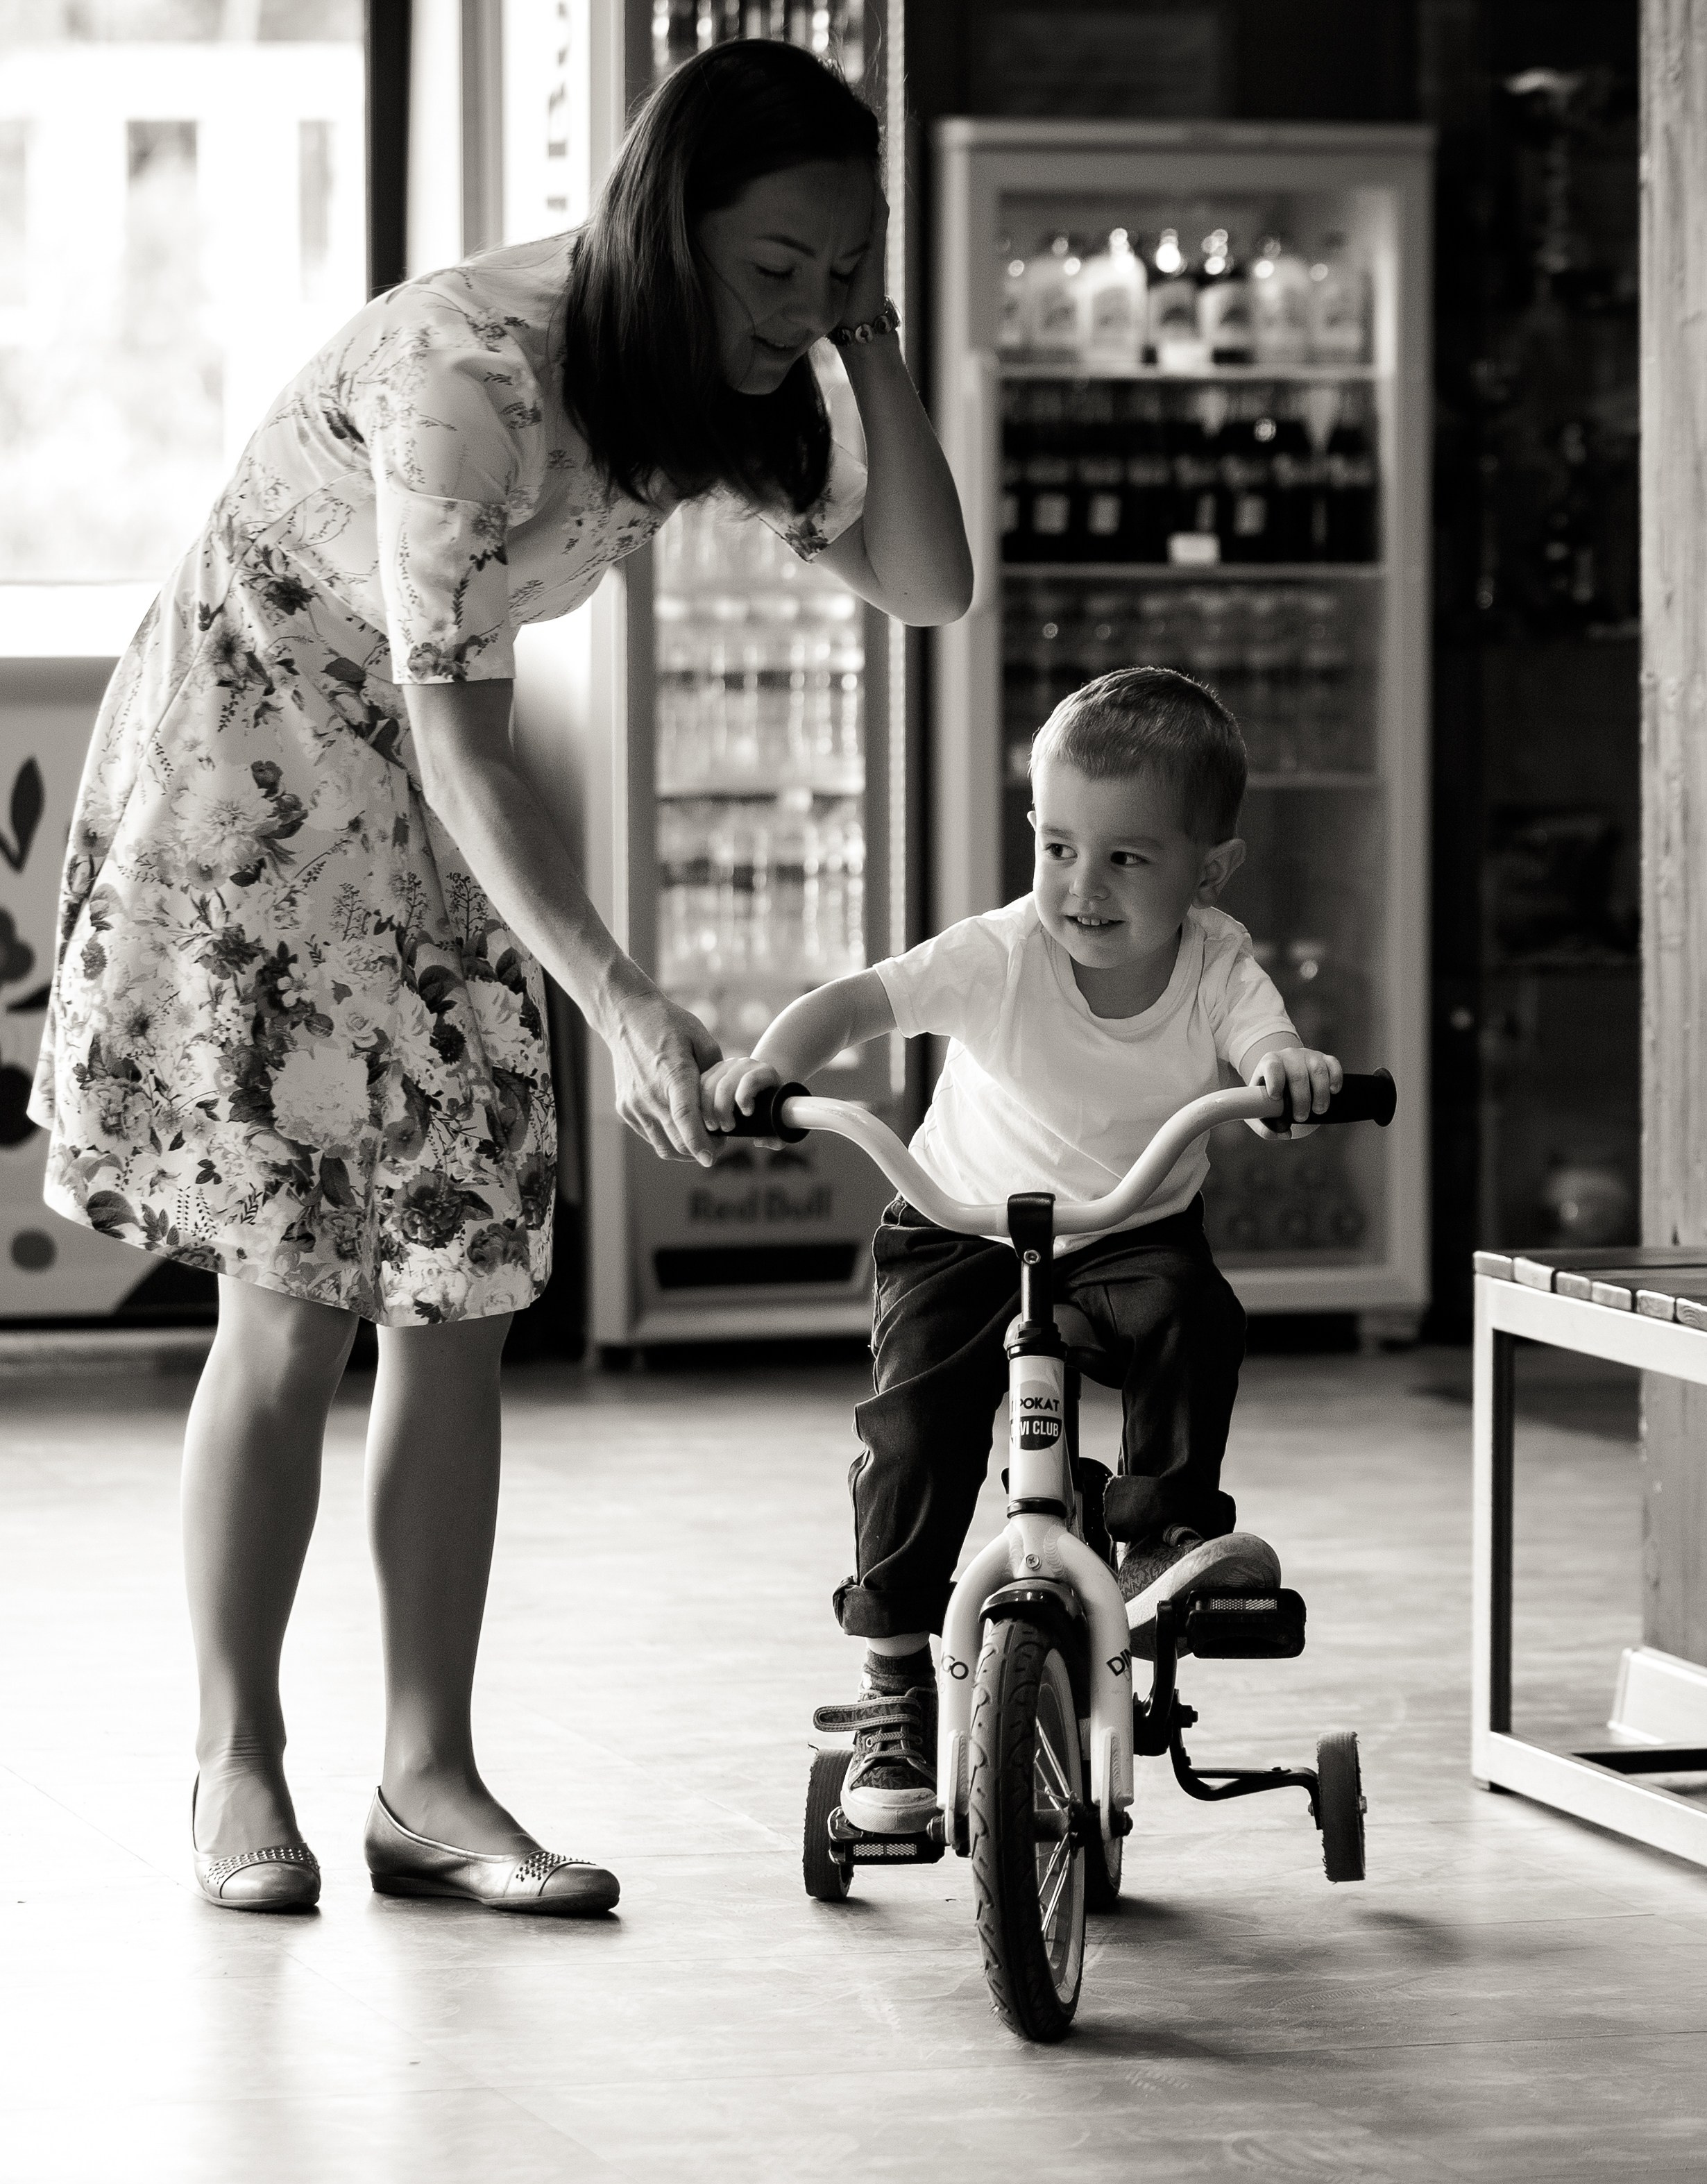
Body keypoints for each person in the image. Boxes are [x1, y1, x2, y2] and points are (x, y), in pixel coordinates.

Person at [28, 41, 972, 1910]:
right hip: (252, 801)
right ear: (666, 232)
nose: (803, 304)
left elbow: (929, 584)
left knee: (460, 1295)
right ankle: (236, 1766)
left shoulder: (718, 369)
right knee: (291, 1302)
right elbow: (460, 747)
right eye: (774, 267)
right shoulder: (467, 371)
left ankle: (430, 1783)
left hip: (435, 820)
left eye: (841, 262)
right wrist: (620, 997)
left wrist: (866, 336)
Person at [703, 665, 1339, 1836]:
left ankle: (1160, 1537)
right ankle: (896, 1678)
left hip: (1127, 1227)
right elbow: (857, 1003)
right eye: (1057, 847)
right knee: (913, 1429)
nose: (1082, 886)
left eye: (1127, 858)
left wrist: (1285, 1075)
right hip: (958, 1223)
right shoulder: (1002, 954)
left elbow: (1265, 1042)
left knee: (1194, 1317)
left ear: (1210, 872)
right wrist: (772, 1065)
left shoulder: (1215, 961)